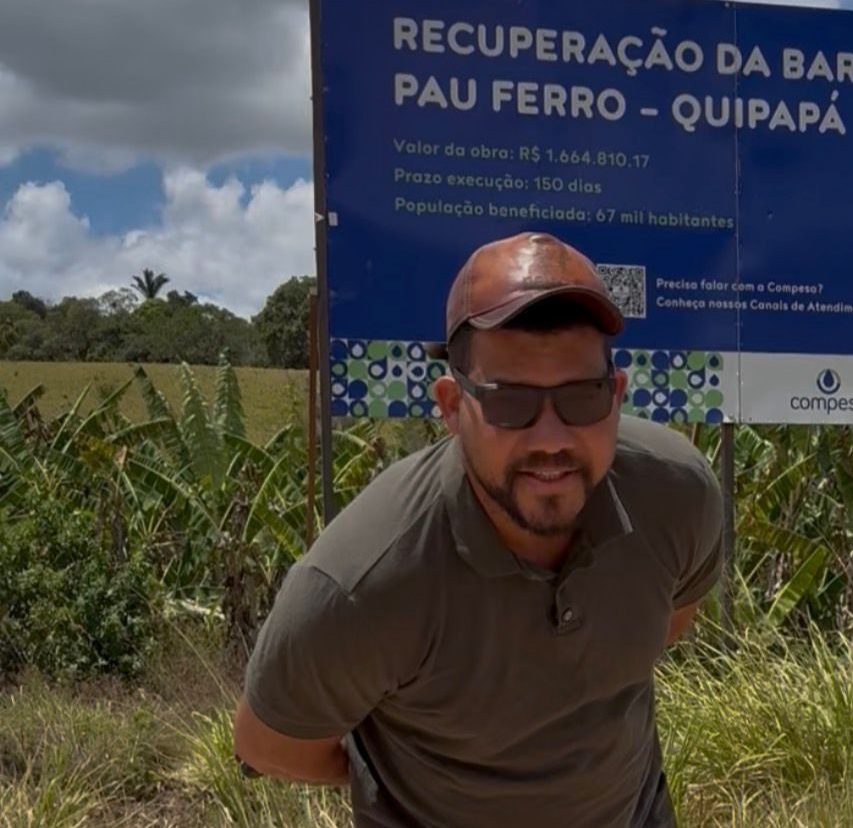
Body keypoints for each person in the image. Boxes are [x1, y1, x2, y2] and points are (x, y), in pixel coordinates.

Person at [231, 231, 726, 827]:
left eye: (582, 397)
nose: (551, 438)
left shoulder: (674, 497)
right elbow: (269, 744)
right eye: (509, 402)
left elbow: (672, 620)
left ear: (616, 395)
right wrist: (406, 773)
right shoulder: (364, 582)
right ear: (450, 406)